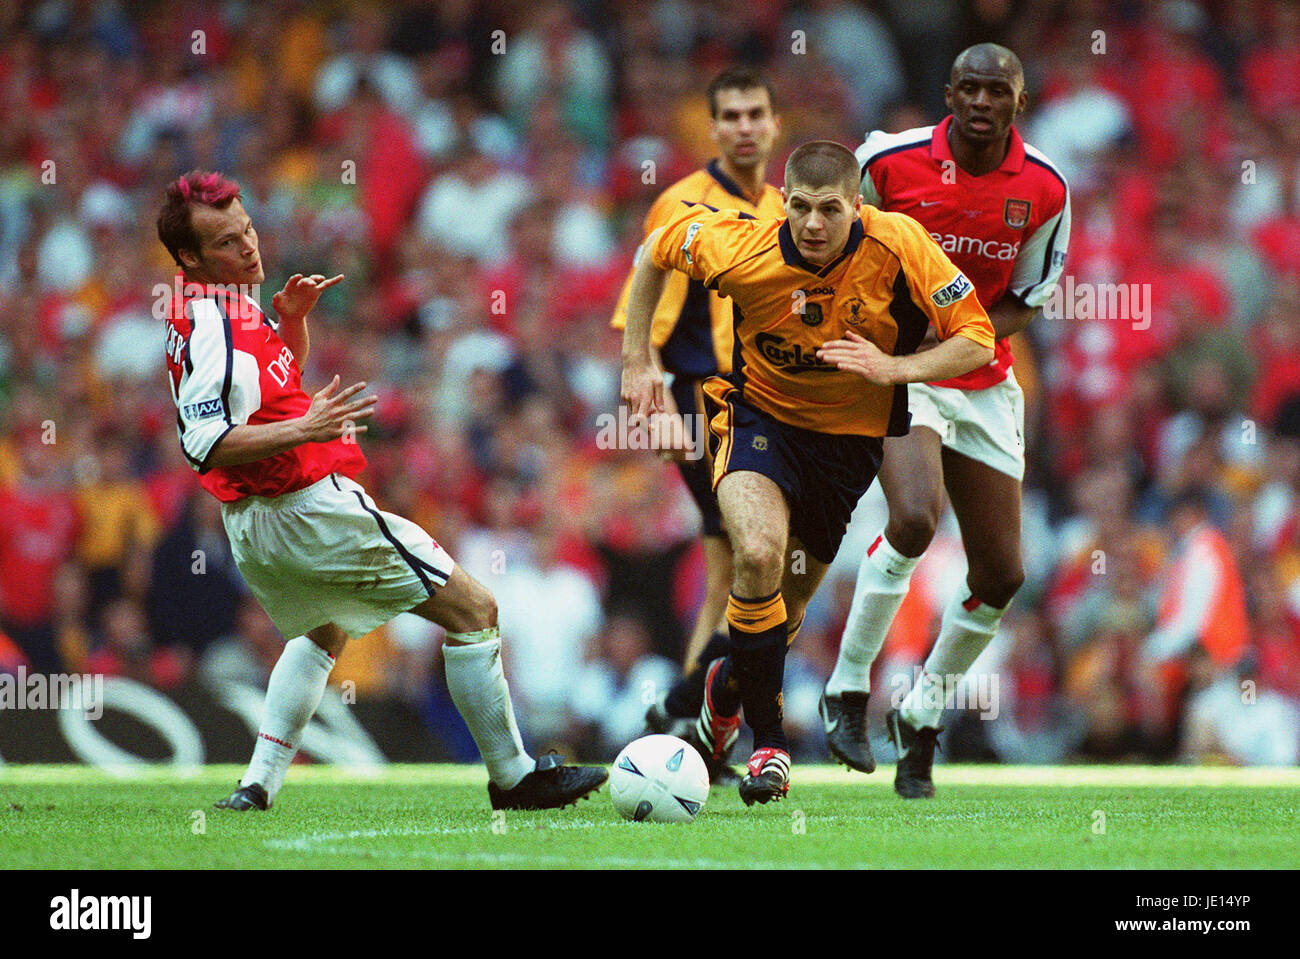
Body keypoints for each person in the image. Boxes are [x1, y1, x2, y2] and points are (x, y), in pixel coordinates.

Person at [156, 170, 606, 811]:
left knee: (322, 632)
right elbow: (203, 443)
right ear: (191, 258)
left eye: (248, 229)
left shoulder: (216, 303)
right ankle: (514, 777)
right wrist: (309, 427)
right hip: (307, 508)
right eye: (228, 243)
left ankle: (256, 785)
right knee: (475, 612)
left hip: (255, 521)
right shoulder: (214, 323)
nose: (250, 247)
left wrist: (292, 326)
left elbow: (264, 392)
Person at [621, 140, 995, 805]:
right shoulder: (738, 246)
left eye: (829, 209)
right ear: (783, 203)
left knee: (782, 618)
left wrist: (896, 369)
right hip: (756, 421)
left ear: (858, 206)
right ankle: (771, 743)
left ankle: (721, 694)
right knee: (757, 555)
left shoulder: (899, 242)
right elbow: (655, 249)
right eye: (800, 208)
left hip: (847, 449)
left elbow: (976, 336)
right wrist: (638, 360)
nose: (814, 224)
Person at [821, 43, 1070, 798]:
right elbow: (825, 238)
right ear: (948, 92)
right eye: (971, 88)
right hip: (899, 367)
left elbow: (1030, 295)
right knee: (915, 516)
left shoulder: (1048, 187)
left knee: (1002, 572)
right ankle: (848, 688)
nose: (984, 102)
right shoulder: (887, 163)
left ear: (1018, 102)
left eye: (999, 91)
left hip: (982, 377)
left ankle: (923, 716)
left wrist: (962, 336)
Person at [610, 67, 785, 782]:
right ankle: (697, 715)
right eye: (731, 115)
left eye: (756, 113)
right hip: (702, 401)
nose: (744, 126)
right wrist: (645, 386)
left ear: (775, 124)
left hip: (769, 404)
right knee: (754, 557)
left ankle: (685, 721)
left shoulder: (785, 205)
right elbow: (640, 312)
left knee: (727, 571)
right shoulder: (681, 202)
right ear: (712, 128)